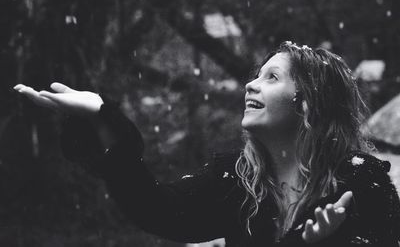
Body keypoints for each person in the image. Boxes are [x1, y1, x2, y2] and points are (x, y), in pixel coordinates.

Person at [13, 41, 400, 246]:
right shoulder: (238, 178)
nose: (251, 83)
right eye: (256, 75)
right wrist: (103, 116)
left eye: (272, 77)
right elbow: (157, 210)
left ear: (309, 101)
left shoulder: (362, 183)